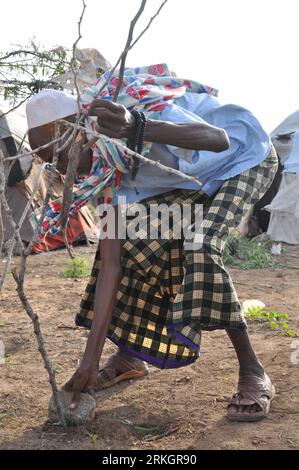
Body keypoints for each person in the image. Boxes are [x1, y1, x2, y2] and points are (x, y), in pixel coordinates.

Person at [26, 64, 278, 422]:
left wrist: (136, 125)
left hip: (242, 155)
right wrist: (88, 362)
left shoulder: (132, 110)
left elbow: (218, 138)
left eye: (59, 156)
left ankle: (253, 370)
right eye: (49, 163)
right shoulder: (104, 174)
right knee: (124, 245)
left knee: (201, 244)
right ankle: (129, 356)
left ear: (76, 131)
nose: (61, 170)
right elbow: (112, 265)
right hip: (191, 181)